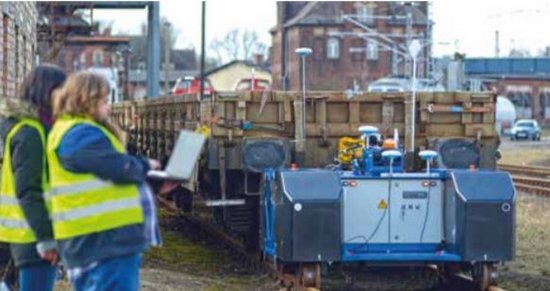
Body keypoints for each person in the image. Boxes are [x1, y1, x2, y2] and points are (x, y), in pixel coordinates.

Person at [47, 71, 160, 291]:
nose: (108, 108)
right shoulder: (80, 135)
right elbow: (118, 167)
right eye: (104, 101)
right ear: (86, 100)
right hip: (103, 242)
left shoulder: (72, 131)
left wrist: (153, 184)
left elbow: (103, 178)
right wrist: (146, 166)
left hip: (98, 241)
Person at [0, 64, 66, 291]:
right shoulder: (31, 133)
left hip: (28, 234)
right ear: (47, 92)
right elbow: (29, 190)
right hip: (32, 237)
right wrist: (46, 238)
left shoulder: (32, 128)